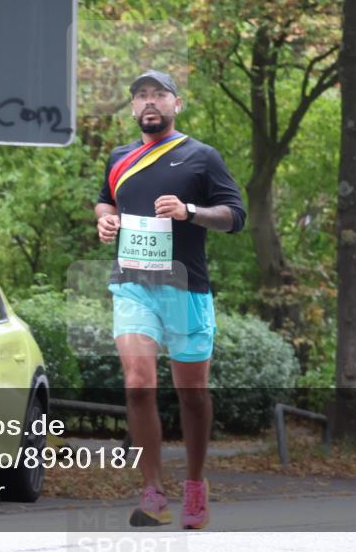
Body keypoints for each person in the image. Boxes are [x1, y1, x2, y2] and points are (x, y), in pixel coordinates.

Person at [94, 70, 245, 530]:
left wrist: (190, 212)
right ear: (134, 107)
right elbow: (105, 201)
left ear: (177, 104)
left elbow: (235, 216)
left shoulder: (200, 157)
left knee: (192, 394)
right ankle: (153, 491)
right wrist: (106, 220)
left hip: (186, 288)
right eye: (141, 95)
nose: (149, 102)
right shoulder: (121, 157)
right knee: (138, 382)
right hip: (133, 285)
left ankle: (195, 484)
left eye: (158, 94)